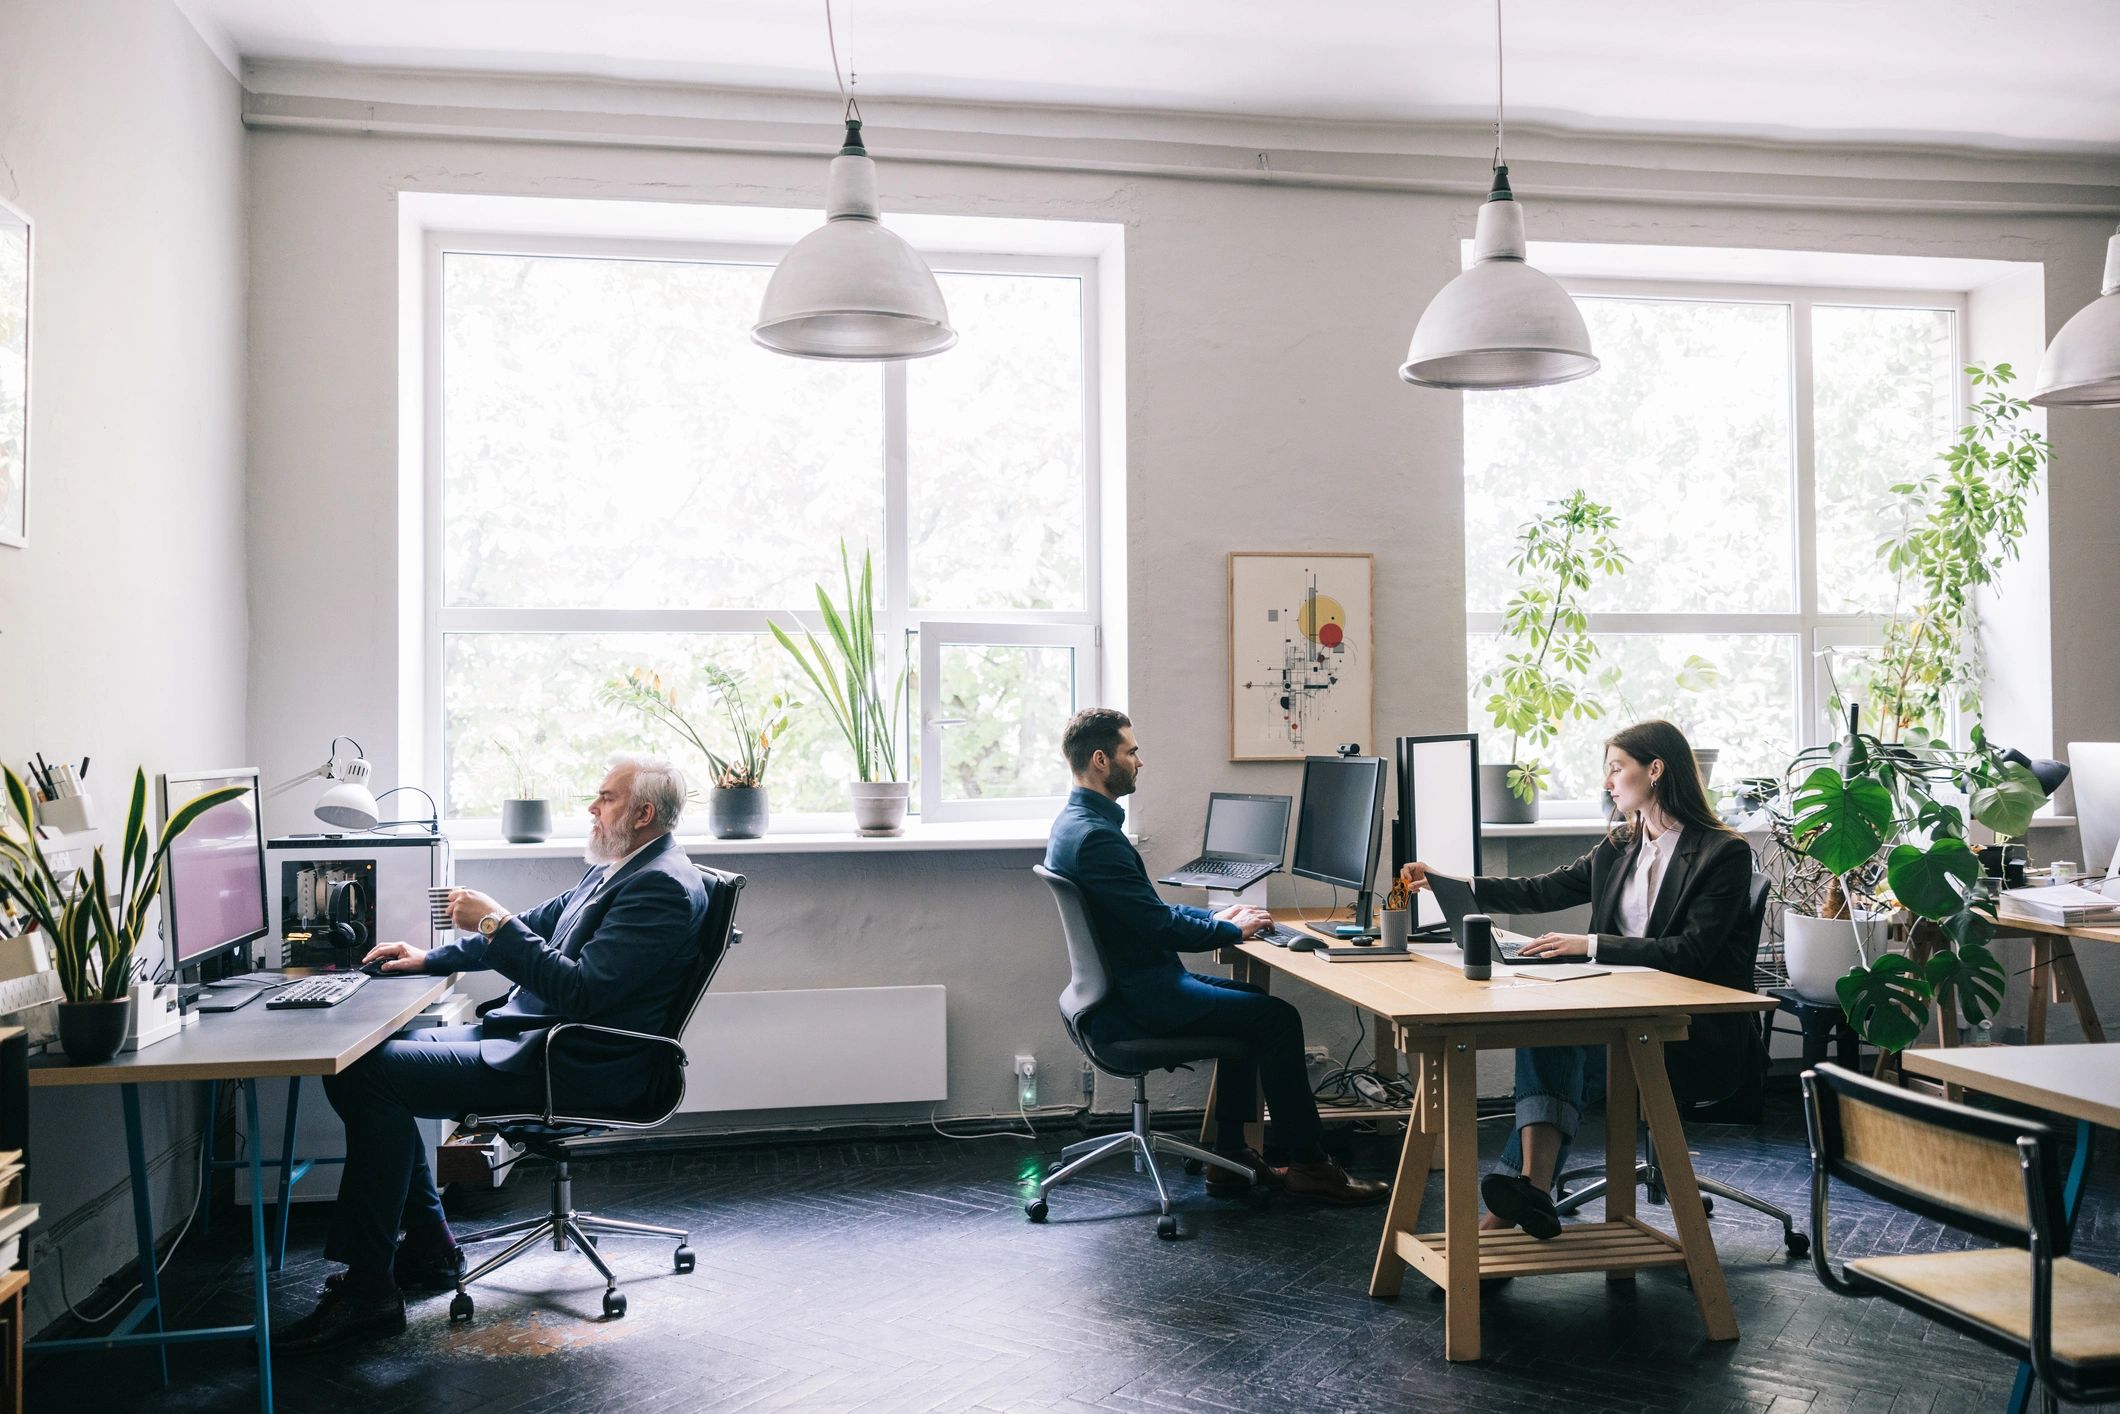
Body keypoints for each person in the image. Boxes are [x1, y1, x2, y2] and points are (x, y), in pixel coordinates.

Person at [275, 752, 710, 1352]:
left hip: (572, 1063)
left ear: (642, 813)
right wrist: (431, 957)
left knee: (368, 1073)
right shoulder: (620, 868)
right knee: (366, 1065)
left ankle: (372, 1285)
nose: (591, 806)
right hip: (533, 1040)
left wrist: (497, 924)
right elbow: (539, 924)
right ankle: (427, 1246)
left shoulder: (659, 885)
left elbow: (580, 991)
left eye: (604, 798)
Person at [1398, 719, 1756, 1241]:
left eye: (1617, 768)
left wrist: (1588, 944)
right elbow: (1541, 891)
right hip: (1618, 1007)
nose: (1608, 782)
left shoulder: (1722, 853)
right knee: (1546, 1027)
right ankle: (1531, 1193)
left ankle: (1519, 1201)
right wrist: (1451, 882)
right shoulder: (1620, 845)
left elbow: (1692, 953)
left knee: (1555, 1037)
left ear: (1655, 769)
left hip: (1687, 1025)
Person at [1044, 707, 1388, 1205]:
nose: (1140, 762)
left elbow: (1145, 912)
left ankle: (1232, 1157)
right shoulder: (1098, 837)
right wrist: (1228, 929)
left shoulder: (1073, 825)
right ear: (1101, 760)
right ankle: (1311, 1165)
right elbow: (1158, 925)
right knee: (1276, 1018)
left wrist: (1220, 921)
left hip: (1124, 989)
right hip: (1140, 1000)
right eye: (1131, 751)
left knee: (1251, 1003)